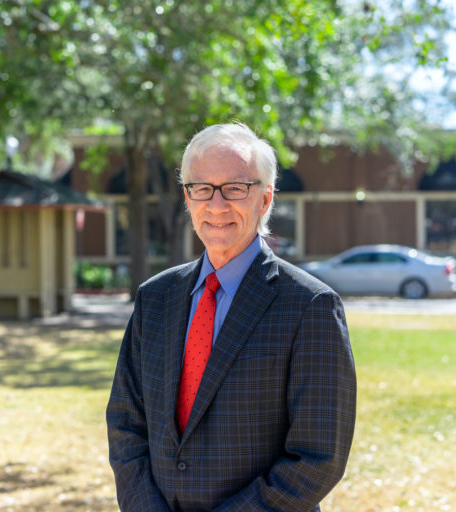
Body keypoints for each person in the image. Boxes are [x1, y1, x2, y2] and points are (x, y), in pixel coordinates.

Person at [106, 122, 357, 511]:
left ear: (266, 199)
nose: (216, 205)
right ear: (187, 199)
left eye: (235, 188)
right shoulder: (154, 298)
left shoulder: (310, 307)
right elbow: (126, 426)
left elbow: (317, 457)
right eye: (202, 188)